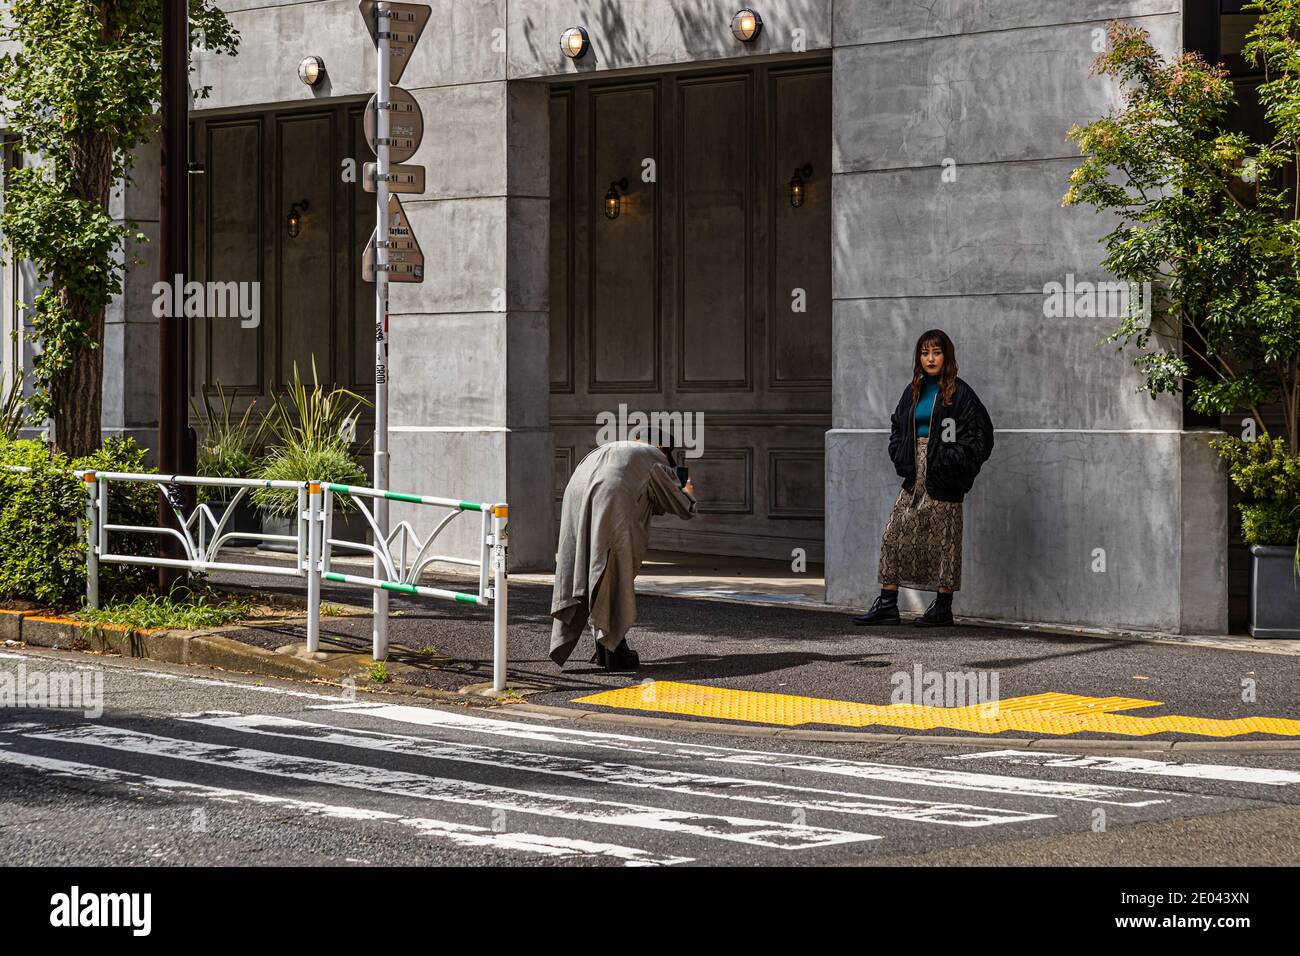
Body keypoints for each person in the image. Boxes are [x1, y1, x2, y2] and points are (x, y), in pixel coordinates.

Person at [854, 329, 994, 628]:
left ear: (947, 356)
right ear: (919, 357)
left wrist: (950, 460)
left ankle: (943, 608)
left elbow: (981, 436)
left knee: (945, 541)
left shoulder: (960, 392)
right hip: (915, 474)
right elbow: (897, 426)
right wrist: (900, 453)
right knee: (894, 535)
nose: (930, 358)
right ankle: (888, 605)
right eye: (925, 352)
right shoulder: (913, 389)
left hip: (944, 477)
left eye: (937, 352)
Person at [550, 436, 697, 671]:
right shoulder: (654, 456)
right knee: (610, 569)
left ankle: (606, 644)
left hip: (576, 494)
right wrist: (688, 491)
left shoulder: (612, 448)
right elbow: (680, 505)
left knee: (587, 568)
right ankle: (613, 650)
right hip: (608, 498)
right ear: (662, 448)